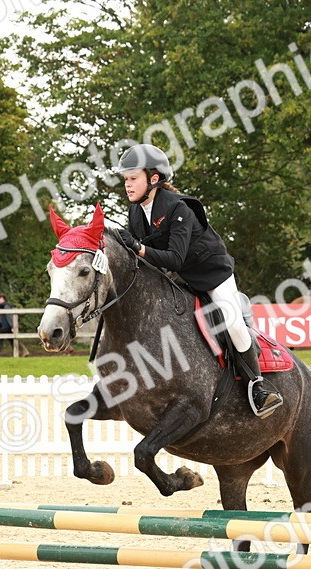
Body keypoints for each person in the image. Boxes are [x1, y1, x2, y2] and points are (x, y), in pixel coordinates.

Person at [111, 144, 282, 418]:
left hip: (211, 273)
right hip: (178, 278)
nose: (127, 185)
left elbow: (175, 258)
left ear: (154, 179)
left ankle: (257, 387)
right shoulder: (135, 213)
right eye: (126, 180)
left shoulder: (179, 208)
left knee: (233, 323)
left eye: (133, 179)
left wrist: (139, 248)